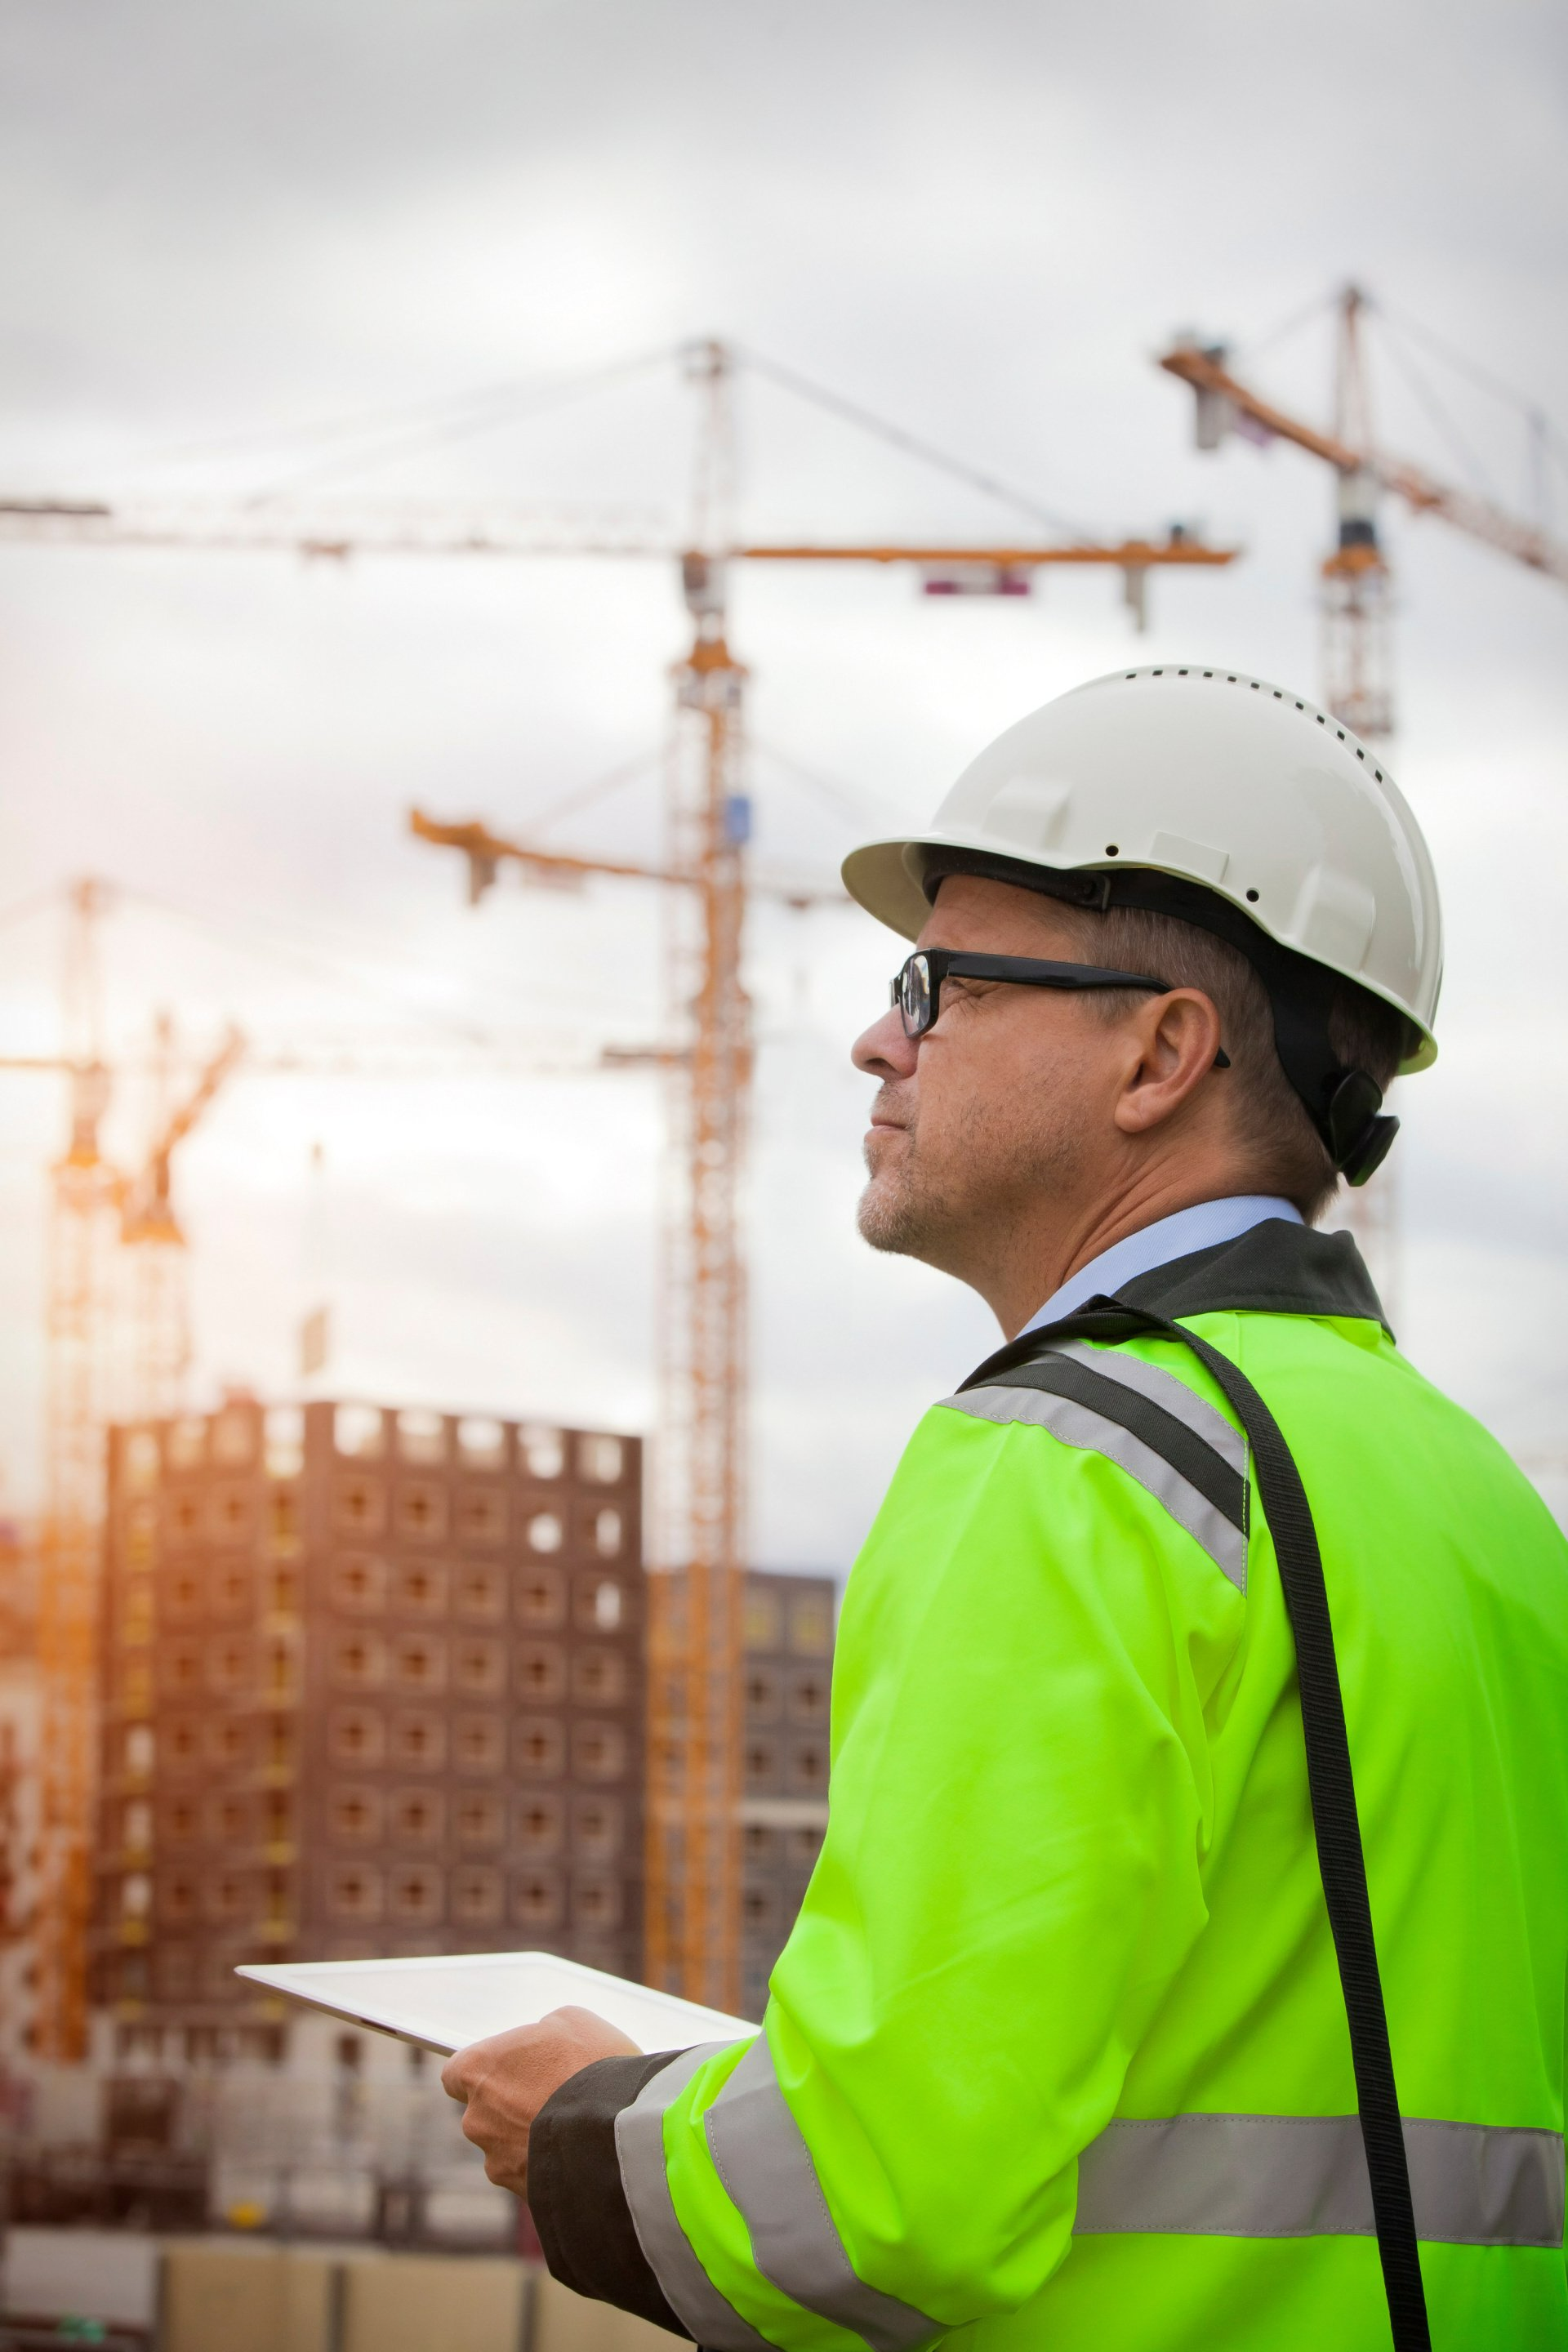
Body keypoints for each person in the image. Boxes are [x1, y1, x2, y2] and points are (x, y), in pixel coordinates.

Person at [443, 668, 1568, 2350]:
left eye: (945, 982)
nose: (881, 1037)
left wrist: (586, 2135)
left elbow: (885, 2203)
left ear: (1160, 1053)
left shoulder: (1072, 1459)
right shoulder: (1481, 1506)